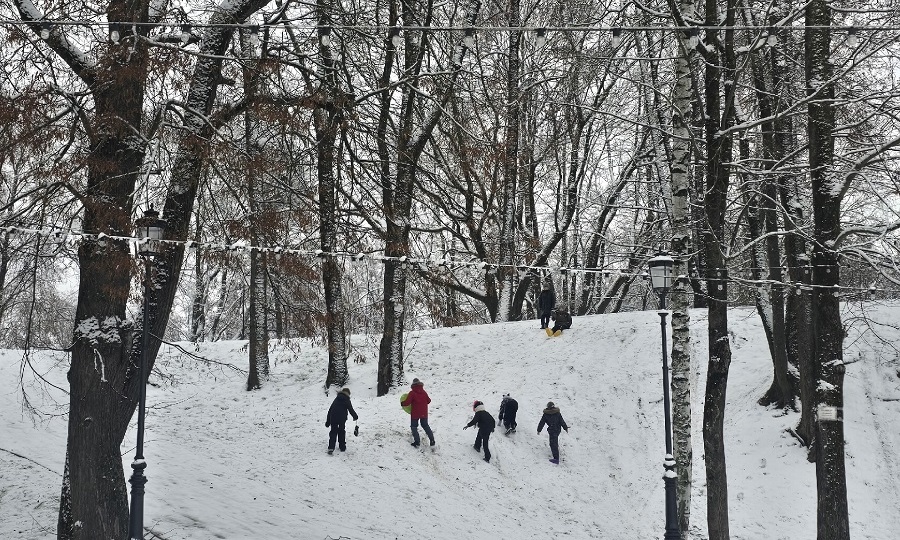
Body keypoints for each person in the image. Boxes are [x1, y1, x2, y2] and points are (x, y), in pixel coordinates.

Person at [401, 378, 435, 448]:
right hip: (424, 413)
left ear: (413, 385)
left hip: (415, 413)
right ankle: (432, 440)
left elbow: (407, 402)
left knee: (414, 427)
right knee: (425, 425)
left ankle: (417, 442)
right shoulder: (424, 392)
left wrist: (402, 403)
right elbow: (429, 401)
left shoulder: (412, 393)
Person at [325, 387, 358, 454]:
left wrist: (328, 422)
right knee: (341, 431)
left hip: (333, 417)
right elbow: (350, 409)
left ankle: (331, 447)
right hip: (342, 419)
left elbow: (330, 410)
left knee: (333, 432)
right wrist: (355, 416)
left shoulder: (336, 399)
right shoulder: (347, 399)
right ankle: (342, 447)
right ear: (348, 393)